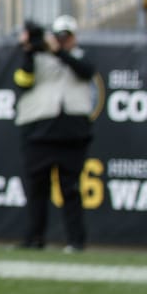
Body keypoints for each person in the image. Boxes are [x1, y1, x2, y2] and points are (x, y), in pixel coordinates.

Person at [12, 13, 96, 253]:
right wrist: (29, 50)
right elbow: (23, 81)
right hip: (38, 131)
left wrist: (58, 52)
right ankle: (34, 238)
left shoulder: (79, 57)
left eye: (66, 36)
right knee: (37, 189)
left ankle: (76, 241)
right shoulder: (36, 58)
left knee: (70, 189)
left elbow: (86, 71)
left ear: (74, 37)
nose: (61, 40)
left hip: (72, 133)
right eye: (58, 36)